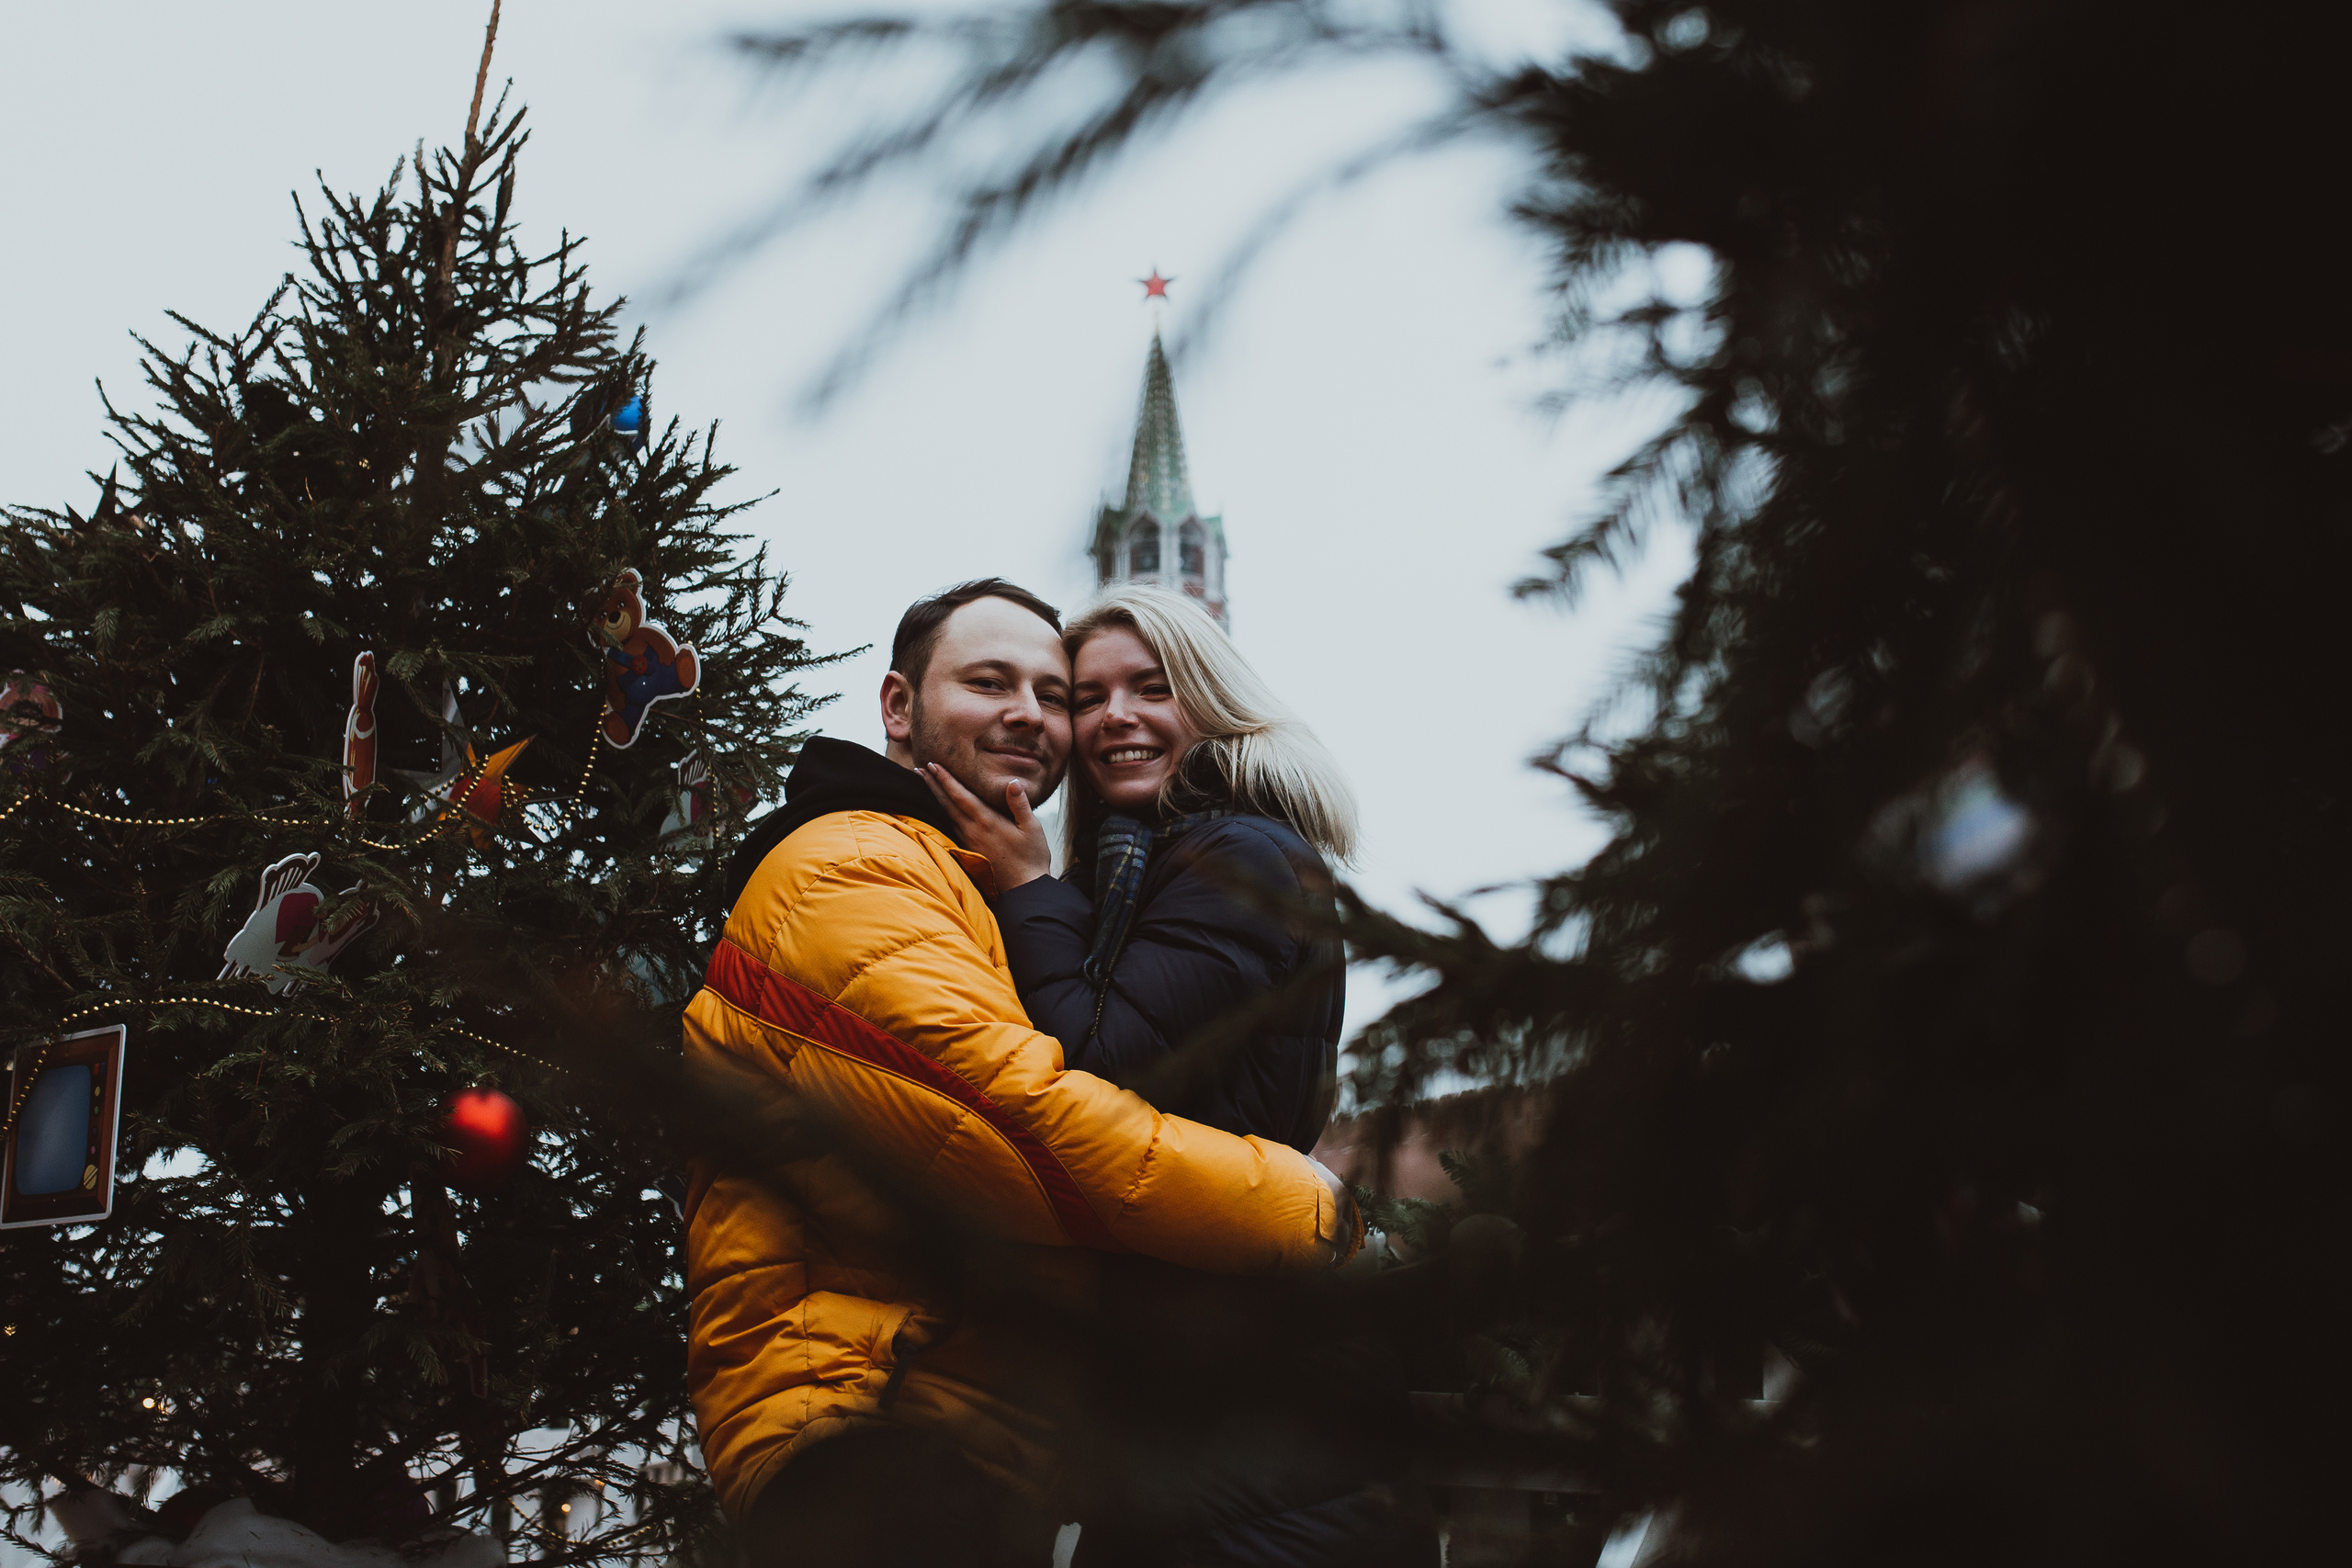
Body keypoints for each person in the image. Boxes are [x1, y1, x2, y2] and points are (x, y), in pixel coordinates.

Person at [681, 579, 1362, 1568]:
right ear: (898, 707)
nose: (1031, 715)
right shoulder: (854, 868)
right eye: (990, 681)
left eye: (1052, 693)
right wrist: (1307, 1213)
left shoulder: (976, 880)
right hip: (870, 1425)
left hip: (966, 1431)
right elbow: (1015, 1135)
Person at [921, 584, 1434, 1567]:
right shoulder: (1142, 868)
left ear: (1207, 698)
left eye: (1149, 688)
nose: (1115, 717)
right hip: (1194, 1375)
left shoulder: (1235, 854)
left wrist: (1026, 886)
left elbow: (1106, 1067)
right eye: (1089, 696)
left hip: (1251, 1389)